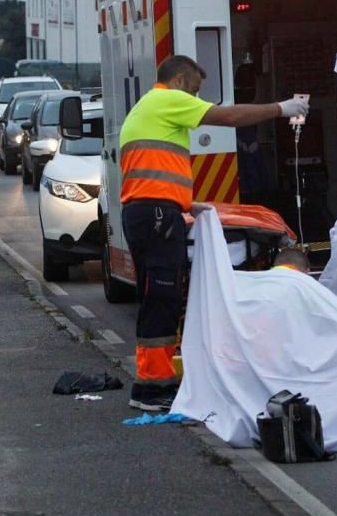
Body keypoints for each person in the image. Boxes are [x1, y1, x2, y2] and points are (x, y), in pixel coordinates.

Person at [121, 54, 309, 412]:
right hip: (157, 214)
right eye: (194, 89)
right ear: (178, 81)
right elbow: (229, 117)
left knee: (157, 297)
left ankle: (153, 382)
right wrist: (280, 108)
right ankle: (151, 389)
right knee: (163, 297)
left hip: (152, 211)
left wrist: (184, 202)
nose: (196, 98)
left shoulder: (150, 107)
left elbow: (151, 169)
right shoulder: (168, 99)